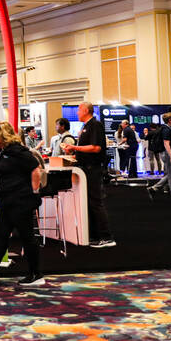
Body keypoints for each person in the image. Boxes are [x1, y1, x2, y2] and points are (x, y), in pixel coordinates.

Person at [0, 122, 45, 286]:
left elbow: (36, 170)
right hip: (7, 202)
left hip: (20, 201)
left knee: (27, 237)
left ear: (3, 136)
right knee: (1, 236)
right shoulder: (4, 152)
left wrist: (34, 192)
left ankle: (36, 274)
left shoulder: (18, 151)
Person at [64, 102, 115, 248]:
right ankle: (94, 235)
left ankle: (106, 237)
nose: (77, 112)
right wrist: (75, 154)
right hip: (85, 169)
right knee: (89, 203)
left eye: (79, 109)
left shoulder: (95, 125)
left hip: (93, 169)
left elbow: (96, 148)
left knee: (95, 202)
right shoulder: (86, 126)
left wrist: (74, 147)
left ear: (86, 110)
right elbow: (88, 148)